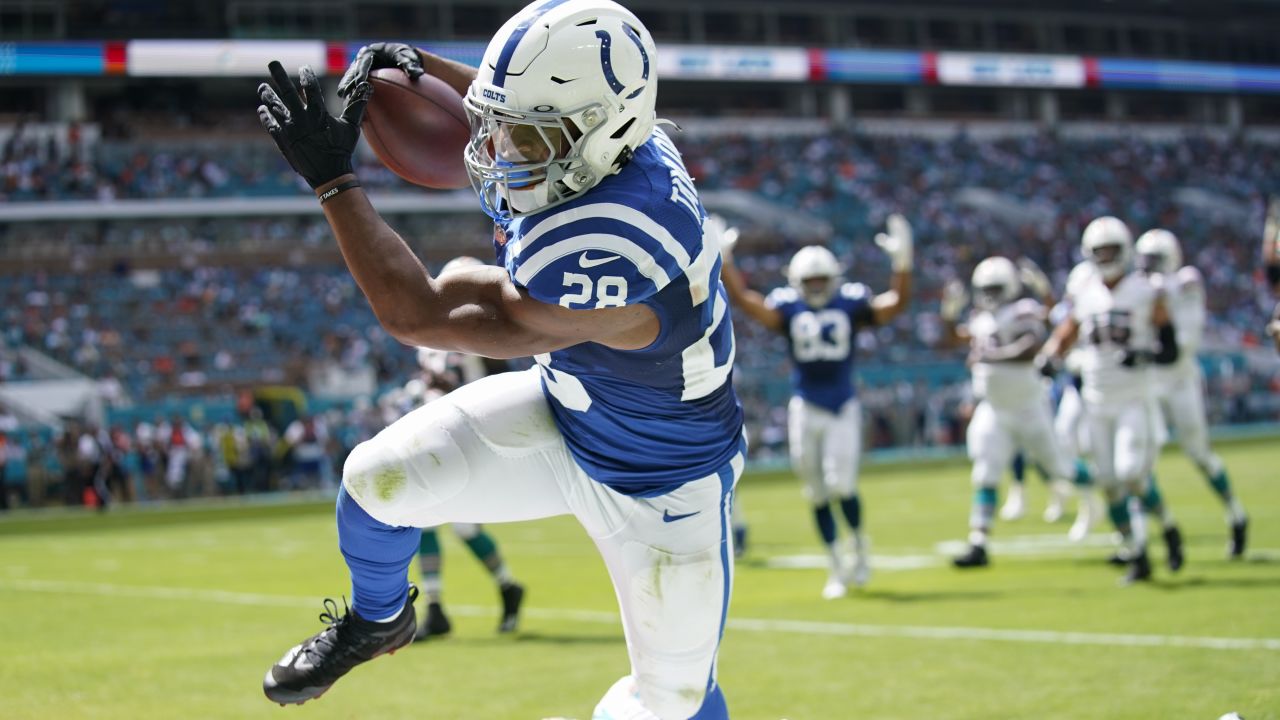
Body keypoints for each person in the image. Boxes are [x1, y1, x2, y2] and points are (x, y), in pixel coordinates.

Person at [256, 2, 744, 717]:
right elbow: (504, 110)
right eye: (500, 120)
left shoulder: (613, 242)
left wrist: (333, 182)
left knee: (665, 703)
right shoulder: (621, 144)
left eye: (527, 135)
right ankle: (377, 620)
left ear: (603, 131)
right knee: (377, 482)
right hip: (569, 411)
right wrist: (422, 66)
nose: (499, 147)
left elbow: (416, 312)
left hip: (664, 486)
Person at [716, 214, 912, 598]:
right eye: (811, 281)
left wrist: (903, 262)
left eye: (822, 280)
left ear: (835, 278)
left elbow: (896, 303)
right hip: (805, 406)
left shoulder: (851, 303)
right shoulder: (789, 309)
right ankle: (836, 564)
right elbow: (744, 301)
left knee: (843, 484)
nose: (817, 287)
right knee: (816, 491)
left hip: (842, 405)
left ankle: (858, 545)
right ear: (796, 282)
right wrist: (725, 259)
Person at [1036, 217, 1183, 584]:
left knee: (1131, 472)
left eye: (1110, 250)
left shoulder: (1146, 289)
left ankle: (1166, 524)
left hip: (1134, 396)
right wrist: (1050, 355)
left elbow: (1170, 346)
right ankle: (1137, 551)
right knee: (1108, 481)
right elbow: (1068, 329)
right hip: (1096, 400)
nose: (1104, 256)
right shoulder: (1085, 290)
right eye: (1098, 251)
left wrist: (1145, 355)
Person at [940, 257, 1081, 568]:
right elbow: (954, 340)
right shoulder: (981, 318)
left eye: (996, 288)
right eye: (985, 288)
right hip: (995, 408)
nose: (990, 294)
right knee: (985, 473)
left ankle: (1106, 493)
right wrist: (948, 314)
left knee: (1062, 469)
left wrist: (990, 357)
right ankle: (979, 542)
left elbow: (1030, 346)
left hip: (1029, 406)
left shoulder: (1023, 311)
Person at [1135, 229, 1247, 558]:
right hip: (1148, 384)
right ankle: (1141, 543)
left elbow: (1183, 344)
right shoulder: (1138, 288)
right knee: (1140, 464)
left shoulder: (1185, 283)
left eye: (1153, 260)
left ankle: (1236, 515)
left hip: (1181, 380)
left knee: (1198, 453)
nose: (1148, 267)